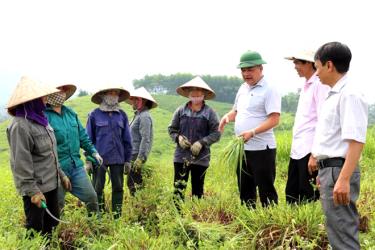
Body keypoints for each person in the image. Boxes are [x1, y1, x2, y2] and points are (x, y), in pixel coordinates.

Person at [310, 42, 368, 249]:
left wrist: (342, 179)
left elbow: (356, 140)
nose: (316, 74)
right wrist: (323, 170)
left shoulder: (349, 94)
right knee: (336, 230)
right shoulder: (334, 94)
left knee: (343, 235)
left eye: (317, 67)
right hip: (331, 170)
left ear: (329, 65)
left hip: (339, 171)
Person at [6, 76, 71, 238]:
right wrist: (33, 191)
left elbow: (50, 155)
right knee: (35, 230)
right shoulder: (20, 126)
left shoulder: (42, 120)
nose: (45, 99)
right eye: (41, 97)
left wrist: (61, 175)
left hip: (51, 185)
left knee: (52, 226)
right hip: (36, 190)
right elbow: (20, 163)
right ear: (32, 100)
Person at [218, 50, 281, 208]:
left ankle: (270, 221)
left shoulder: (270, 89)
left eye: (250, 69)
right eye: (243, 70)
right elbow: (236, 111)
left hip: (262, 149)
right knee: (245, 188)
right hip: (242, 148)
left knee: (266, 189)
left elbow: (274, 119)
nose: (246, 74)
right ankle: (249, 218)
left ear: (261, 68)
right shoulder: (242, 88)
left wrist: (253, 132)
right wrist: (227, 117)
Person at [45, 84, 103, 215]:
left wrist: (93, 151)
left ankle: (97, 228)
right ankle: (55, 233)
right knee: (57, 205)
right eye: (58, 90)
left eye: (63, 90)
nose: (61, 93)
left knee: (91, 198)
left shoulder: (71, 114)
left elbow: (83, 136)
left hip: (76, 166)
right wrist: (61, 173)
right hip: (56, 169)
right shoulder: (44, 117)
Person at [284, 51, 329, 204]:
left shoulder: (319, 85)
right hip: (298, 149)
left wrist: (315, 154)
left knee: (308, 194)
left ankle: (309, 227)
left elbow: (323, 120)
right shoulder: (306, 85)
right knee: (292, 193)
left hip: (310, 150)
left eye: (298, 63)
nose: (295, 67)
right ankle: (295, 226)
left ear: (309, 63)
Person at [168, 76, 221, 206]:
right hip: (181, 157)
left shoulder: (210, 113)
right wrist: (178, 138)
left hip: (201, 158)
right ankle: (177, 218)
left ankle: (196, 218)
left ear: (203, 94)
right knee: (178, 189)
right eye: (193, 91)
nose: (196, 94)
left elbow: (217, 133)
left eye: (199, 92)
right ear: (189, 94)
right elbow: (171, 129)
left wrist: (201, 142)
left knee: (198, 190)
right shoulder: (181, 111)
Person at [86, 86, 132, 219]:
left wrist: (128, 160)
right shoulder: (94, 115)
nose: (113, 95)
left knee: (118, 188)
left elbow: (127, 139)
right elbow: (88, 139)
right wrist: (89, 160)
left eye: (116, 93)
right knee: (97, 188)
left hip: (118, 158)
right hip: (99, 158)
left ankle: (117, 217)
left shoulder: (122, 115)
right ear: (103, 95)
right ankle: (99, 217)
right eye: (110, 93)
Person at [125, 87, 157, 196]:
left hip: (136, 155)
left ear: (143, 101)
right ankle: (139, 206)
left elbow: (146, 138)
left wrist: (140, 158)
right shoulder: (137, 115)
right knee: (133, 182)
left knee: (133, 183)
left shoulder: (144, 116)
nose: (133, 101)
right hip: (132, 154)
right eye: (133, 99)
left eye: (136, 99)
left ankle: (140, 208)